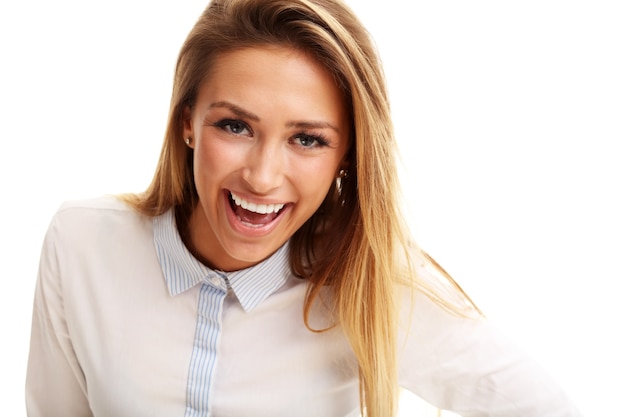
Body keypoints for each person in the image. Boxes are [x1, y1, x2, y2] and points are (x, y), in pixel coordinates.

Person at [26, 0, 582, 416]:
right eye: (235, 126)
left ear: (346, 156)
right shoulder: (82, 244)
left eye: (307, 139)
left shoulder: (373, 284)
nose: (263, 176)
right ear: (188, 125)